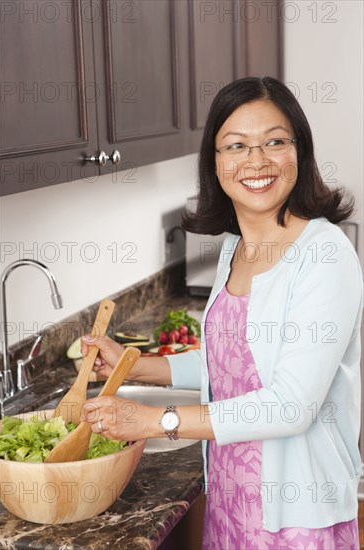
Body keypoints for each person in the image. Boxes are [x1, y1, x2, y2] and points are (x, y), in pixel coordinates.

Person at [81, 77, 363, 550]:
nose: (257, 161)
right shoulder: (236, 246)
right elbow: (236, 359)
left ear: (300, 151)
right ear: (215, 162)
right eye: (236, 146)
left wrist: (156, 421)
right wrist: (136, 365)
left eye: (275, 141)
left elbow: (290, 404)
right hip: (231, 497)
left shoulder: (325, 255)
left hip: (295, 514)